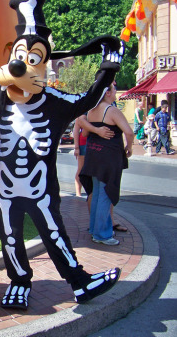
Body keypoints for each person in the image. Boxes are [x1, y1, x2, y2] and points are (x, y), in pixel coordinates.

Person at [79, 83, 133, 246]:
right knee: (105, 194)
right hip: (108, 157)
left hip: (94, 155)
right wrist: (129, 147)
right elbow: (129, 132)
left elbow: (83, 126)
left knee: (96, 194)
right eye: (114, 89)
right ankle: (102, 234)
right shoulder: (112, 110)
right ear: (107, 93)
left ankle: (95, 230)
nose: (116, 91)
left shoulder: (92, 110)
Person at [74, 115, 114, 197]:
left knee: (92, 168)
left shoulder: (96, 112)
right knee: (81, 168)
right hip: (84, 143)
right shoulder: (82, 114)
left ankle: (91, 192)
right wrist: (76, 147)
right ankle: (78, 192)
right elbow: (77, 130)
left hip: (94, 143)